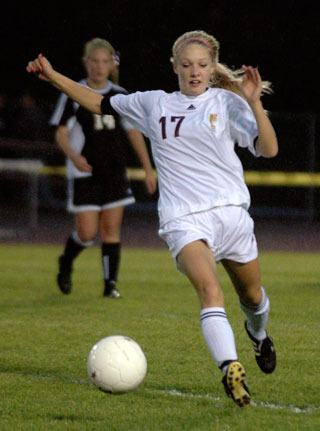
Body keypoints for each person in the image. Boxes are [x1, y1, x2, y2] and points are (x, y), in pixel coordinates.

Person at [27, 29, 278, 407]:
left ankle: (258, 336)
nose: (195, 71)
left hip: (232, 216)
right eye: (187, 64)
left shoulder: (228, 103)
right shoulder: (153, 104)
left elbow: (269, 150)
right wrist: (54, 77)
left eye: (202, 65)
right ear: (174, 67)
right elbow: (99, 103)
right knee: (210, 290)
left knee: (253, 298)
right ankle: (230, 367)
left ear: (212, 69)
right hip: (184, 220)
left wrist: (254, 103)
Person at [48, 38, 156, 298]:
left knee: (111, 230)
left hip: (114, 171)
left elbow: (133, 133)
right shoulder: (74, 92)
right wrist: (74, 157)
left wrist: (148, 168)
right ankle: (66, 261)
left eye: (104, 61)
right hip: (85, 172)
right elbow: (61, 133)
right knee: (86, 233)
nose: (98, 66)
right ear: (86, 63)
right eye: (94, 61)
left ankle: (110, 285)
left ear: (111, 64)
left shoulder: (120, 95)